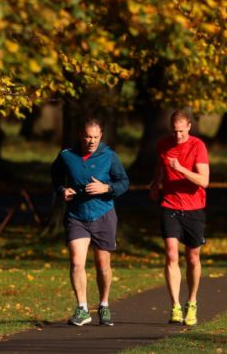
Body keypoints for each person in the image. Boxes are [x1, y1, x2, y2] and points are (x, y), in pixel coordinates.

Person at [50, 118, 130, 327]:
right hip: (77, 216)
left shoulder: (109, 156)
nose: (91, 141)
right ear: (80, 135)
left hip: (103, 214)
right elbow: (55, 176)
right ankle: (83, 309)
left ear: (101, 135)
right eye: (87, 137)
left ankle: (104, 305)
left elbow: (124, 182)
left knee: (103, 265)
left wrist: (107, 188)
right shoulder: (67, 156)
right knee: (77, 262)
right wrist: (62, 190)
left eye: (95, 137)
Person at [149, 110, 210, 327]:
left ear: (189, 127)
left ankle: (191, 302)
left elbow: (204, 181)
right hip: (169, 205)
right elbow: (160, 163)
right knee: (171, 255)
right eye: (174, 132)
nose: (177, 136)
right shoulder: (163, 145)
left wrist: (181, 169)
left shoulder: (197, 146)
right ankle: (175, 305)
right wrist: (156, 183)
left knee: (192, 258)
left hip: (194, 207)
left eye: (181, 132)